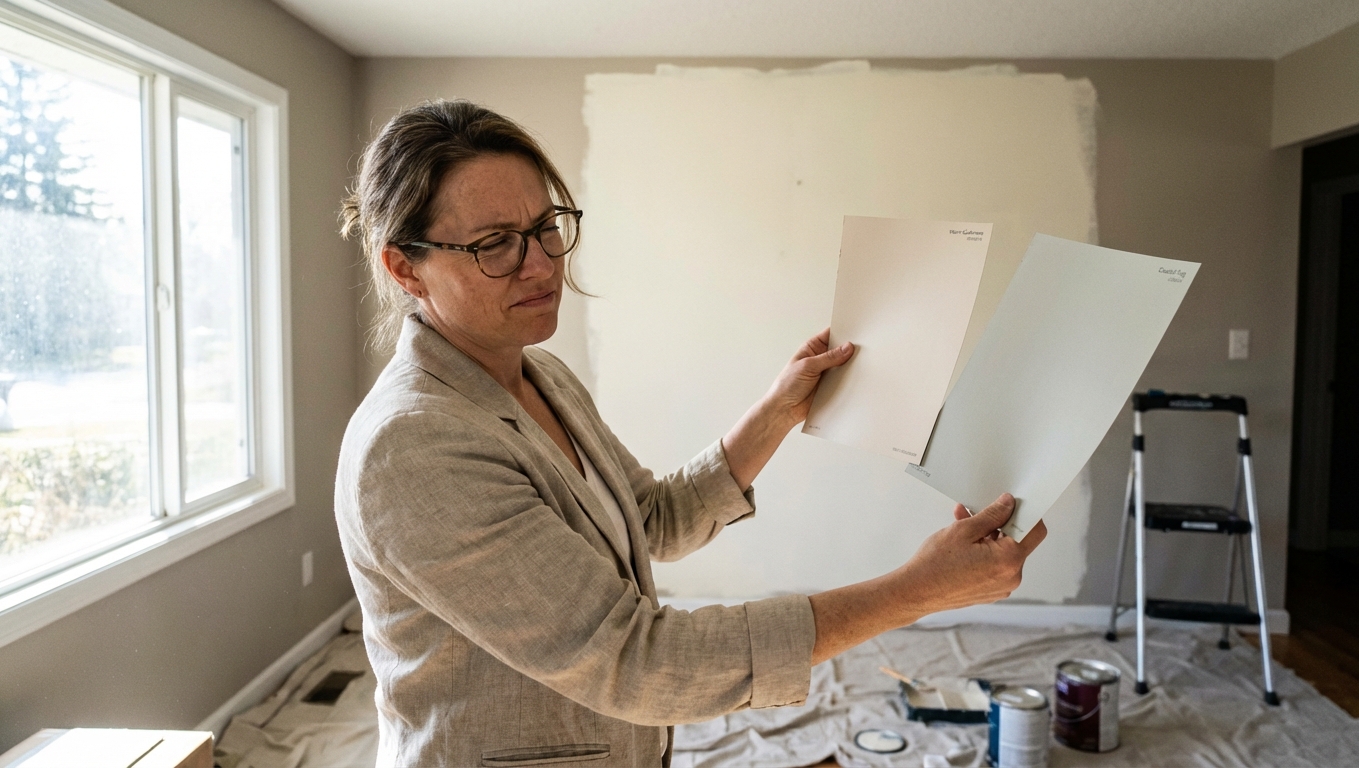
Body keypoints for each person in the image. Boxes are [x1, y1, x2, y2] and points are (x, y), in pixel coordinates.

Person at [335, 99, 1048, 767]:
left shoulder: (539, 375)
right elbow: (638, 663)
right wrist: (914, 592)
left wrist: (778, 410)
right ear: (405, 267)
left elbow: (650, 518)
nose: (543, 263)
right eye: (496, 244)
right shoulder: (414, 447)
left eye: (547, 226)